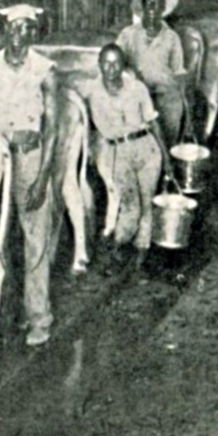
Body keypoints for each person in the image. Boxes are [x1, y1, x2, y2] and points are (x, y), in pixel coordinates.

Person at [0, 3, 60, 348]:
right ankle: (2, 316)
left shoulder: (45, 70)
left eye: (26, 29)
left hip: (29, 157)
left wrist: (42, 177)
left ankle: (39, 316)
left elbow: (52, 128)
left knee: (35, 239)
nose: (19, 35)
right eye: (14, 28)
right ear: (4, 31)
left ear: (33, 33)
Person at [78, 43, 173, 273]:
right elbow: (80, 116)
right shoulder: (90, 91)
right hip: (118, 152)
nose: (111, 68)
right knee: (130, 205)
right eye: (106, 63)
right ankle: (119, 248)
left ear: (123, 65)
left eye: (116, 63)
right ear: (99, 64)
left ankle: (141, 254)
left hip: (147, 149)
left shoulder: (137, 88)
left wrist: (167, 159)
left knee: (147, 203)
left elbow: (153, 122)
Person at [116, 0, 189, 144]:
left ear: (163, 10)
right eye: (150, 4)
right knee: (141, 145)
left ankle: (167, 166)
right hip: (138, 98)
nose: (153, 10)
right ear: (142, 7)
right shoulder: (127, 35)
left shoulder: (172, 37)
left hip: (166, 97)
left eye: (159, 6)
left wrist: (186, 110)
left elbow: (179, 72)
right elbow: (116, 64)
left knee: (169, 143)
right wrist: (129, 73)